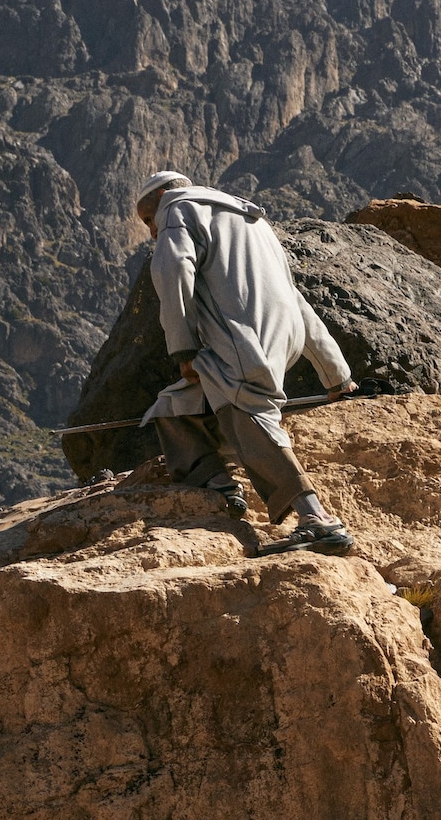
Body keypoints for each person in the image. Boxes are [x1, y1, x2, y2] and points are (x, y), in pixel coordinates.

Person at [136, 169, 355, 555]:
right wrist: (336, 375)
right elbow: (294, 298)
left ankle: (318, 519)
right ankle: (218, 487)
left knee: (250, 418)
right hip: (283, 336)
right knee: (173, 407)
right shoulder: (250, 220)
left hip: (241, 339)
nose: (152, 231)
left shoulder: (177, 210)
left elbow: (173, 273)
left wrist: (183, 350)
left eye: (147, 220)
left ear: (160, 200)